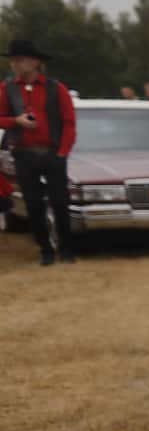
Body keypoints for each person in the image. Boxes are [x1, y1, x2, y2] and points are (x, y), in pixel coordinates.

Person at [0, 38, 78, 265]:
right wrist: (17, 121)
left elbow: (69, 123)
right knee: (33, 205)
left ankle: (66, 249)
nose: (15, 64)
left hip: (53, 152)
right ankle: (45, 250)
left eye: (20, 60)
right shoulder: (7, 89)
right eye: (13, 61)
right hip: (24, 153)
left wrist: (63, 152)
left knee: (60, 202)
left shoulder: (57, 89)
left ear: (35, 62)